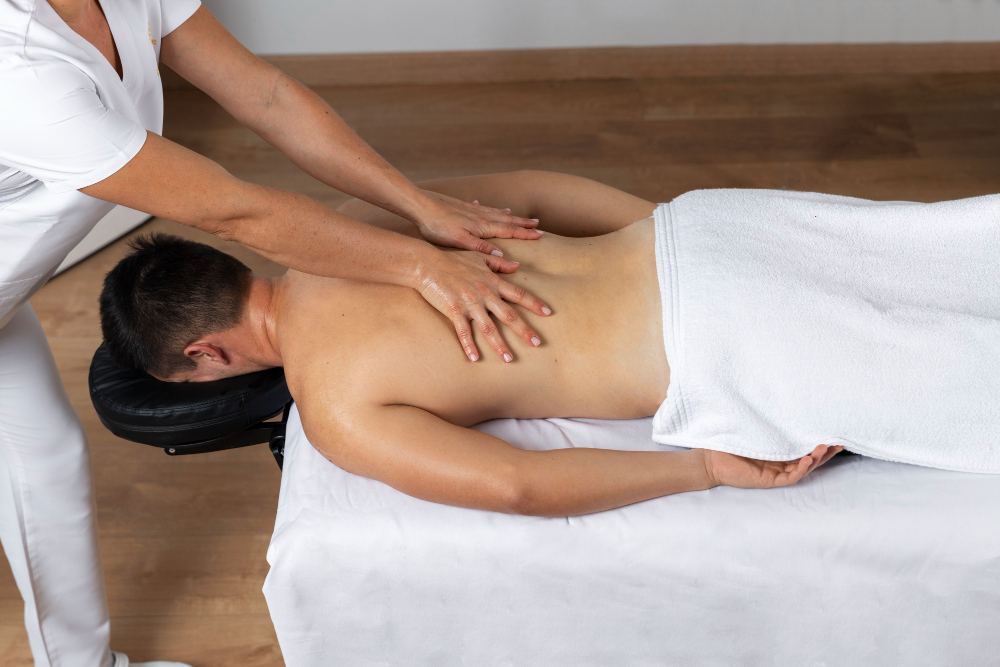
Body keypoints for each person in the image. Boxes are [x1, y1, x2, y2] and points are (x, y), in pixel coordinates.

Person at [0, 2, 549, 665]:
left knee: (47, 461)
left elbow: (266, 94)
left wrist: (417, 205)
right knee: (43, 458)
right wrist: (419, 264)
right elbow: (232, 208)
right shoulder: (18, 69)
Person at [101, 171, 866, 518]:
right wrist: (669, 225)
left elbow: (516, 486)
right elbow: (532, 190)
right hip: (708, 230)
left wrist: (704, 467)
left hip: (720, 344)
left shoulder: (333, 406)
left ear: (205, 355)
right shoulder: (348, 218)